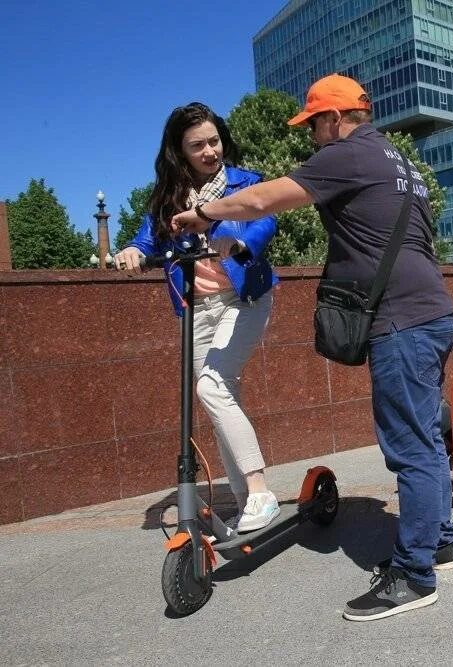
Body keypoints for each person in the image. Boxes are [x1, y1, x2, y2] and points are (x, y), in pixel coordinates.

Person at [171, 74, 453, 622]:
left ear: (333, 118)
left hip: (401, 322)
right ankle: (437, 540)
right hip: (433, 312)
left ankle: (415, 574)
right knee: (426, 437)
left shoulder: (348, 153)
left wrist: (205, 214)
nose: (312, 138)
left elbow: (262, 197)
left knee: (410, 446)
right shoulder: (400, 164)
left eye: (313, 126)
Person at [114, 103, 280, 533]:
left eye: (214, 141)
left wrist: (236, 241)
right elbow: (146, 237)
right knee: (221, 397)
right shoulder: (169, 194)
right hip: (196, 310)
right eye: (198, 145)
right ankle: (248, 502)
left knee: (212, 385)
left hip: (242, 299)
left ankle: (260, 492)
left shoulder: (244, 182)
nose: (210, 151)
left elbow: (264, 220)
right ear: (179, 151)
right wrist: (134, 250)